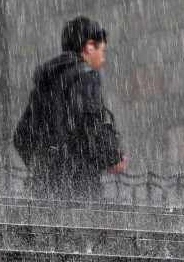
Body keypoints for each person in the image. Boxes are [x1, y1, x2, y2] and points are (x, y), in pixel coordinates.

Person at [14, 16, 125, 201]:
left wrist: (44, 164)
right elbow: (90, 120)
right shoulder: (86, 75)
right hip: (78, 185)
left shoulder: (46, 81)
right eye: (102, 51)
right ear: (89, 45)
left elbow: (21, 136)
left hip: (43, 185)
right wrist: (113, 157)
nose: (103, 59)